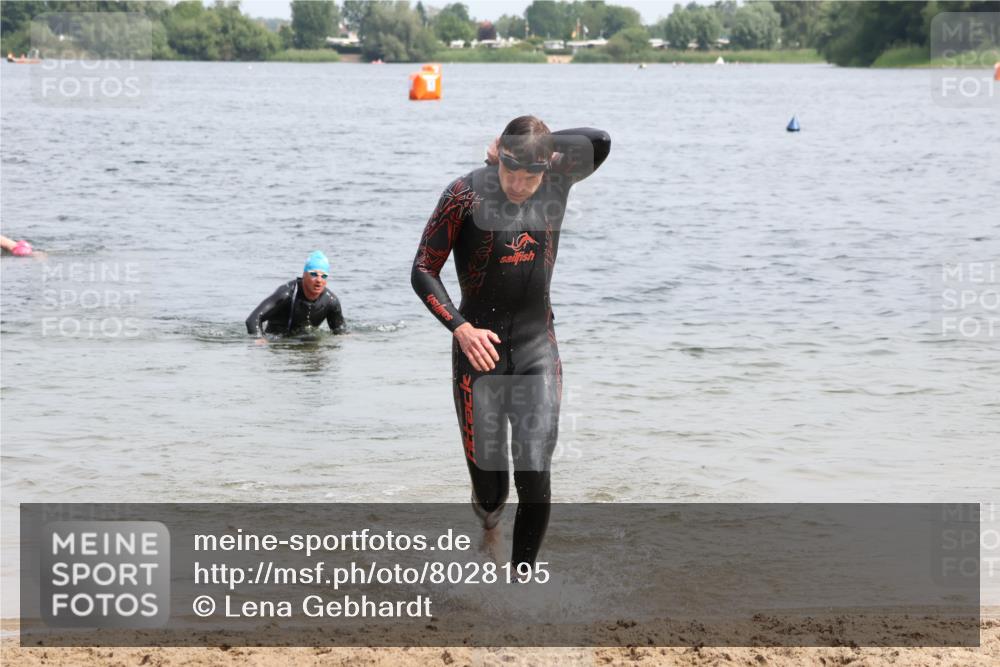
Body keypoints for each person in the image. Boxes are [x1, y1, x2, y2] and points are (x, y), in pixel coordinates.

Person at [411, 116, 610, 567]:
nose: (519, 184)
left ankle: (520, 585)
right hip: (478, 353)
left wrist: (534, 144)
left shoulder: (558, 180)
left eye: (530, 174)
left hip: (538, 346)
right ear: (497, 159)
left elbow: (601, 139)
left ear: (546, 167)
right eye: (510, 171)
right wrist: (460, 327)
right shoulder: (464, 195)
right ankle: (488, 524)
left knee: (536, 471)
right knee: (492, 489)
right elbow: (423, 270)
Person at [246, 250, 345, 342]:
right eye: (314, 274)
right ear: (304, 275)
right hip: (277, 342)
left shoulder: (331, 301)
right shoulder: (286, 294)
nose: (319, 280)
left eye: (324, 276)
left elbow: (340, 332)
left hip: (306, 342)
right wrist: (258, 338)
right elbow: (253, 319)